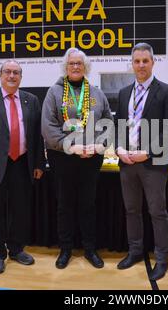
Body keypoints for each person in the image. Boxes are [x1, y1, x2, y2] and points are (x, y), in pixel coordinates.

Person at [42, 47, 113, 270]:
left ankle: (90, 249)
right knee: (64, 205)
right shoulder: (54, 92)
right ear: (66, 67)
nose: (75, 67)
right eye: (71, 63)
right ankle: (66, 249)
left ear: (85, 67)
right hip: (62, 158)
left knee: (88, 204)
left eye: (79, 64)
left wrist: (99, 145)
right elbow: (48, 127)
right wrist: (71, 147)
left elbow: (108, 124)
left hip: (90, 158)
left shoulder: (97, 93)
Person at [114, 42, 168, 281]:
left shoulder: (167, 91)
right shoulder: (123, 93)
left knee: (157, 212)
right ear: (132, 64)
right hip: (127, 162)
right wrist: (119, 148)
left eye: (145, 61)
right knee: (132, 210)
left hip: (153, 163)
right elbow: (119, 126)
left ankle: (162, 259)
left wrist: (149, 152)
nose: (141, 65)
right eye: (137, 61)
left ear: (153, 62)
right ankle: (135, 251)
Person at [0, 60, 45, 274]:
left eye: (16, 73)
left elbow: (37, 137)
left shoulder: (31, 100)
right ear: (0, 75)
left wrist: (39, 163)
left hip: (22, 163)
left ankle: (16, 249)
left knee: (20, 210)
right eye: (8, 72)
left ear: (21, 76)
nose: (12, 76)